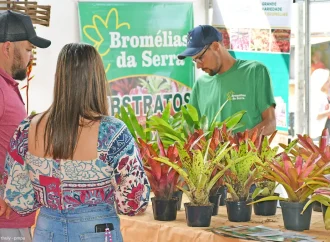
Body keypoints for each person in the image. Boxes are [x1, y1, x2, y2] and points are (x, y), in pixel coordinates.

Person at [3, 43, 150, 242]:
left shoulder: (27, 129)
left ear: (60, 79)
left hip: (47, 231)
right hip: (98, 230)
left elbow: (19, 199)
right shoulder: (112, 133)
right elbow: (134, 201)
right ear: (97, 79)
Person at [0, 10, 51, 241]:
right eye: (29, 49)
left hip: (14, 218)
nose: (31, 57)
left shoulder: (7, 85)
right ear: (8, 47)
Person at [178, 25, 276, 135]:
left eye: (200, 58)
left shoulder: (255, 72)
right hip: (213, 153)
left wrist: (242, 144)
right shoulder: (200, 85)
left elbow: (270, 123)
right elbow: (192, 130)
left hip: (250, 152)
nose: (198, 66)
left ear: (215, 46)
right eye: (195, 61)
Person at [309, 68, 330, 140]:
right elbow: (315, 116)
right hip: (314, 135)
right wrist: (328, 113)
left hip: (321, 133)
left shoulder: (324, 94)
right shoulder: (314, 96)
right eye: (327, 81)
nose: (329, 83)